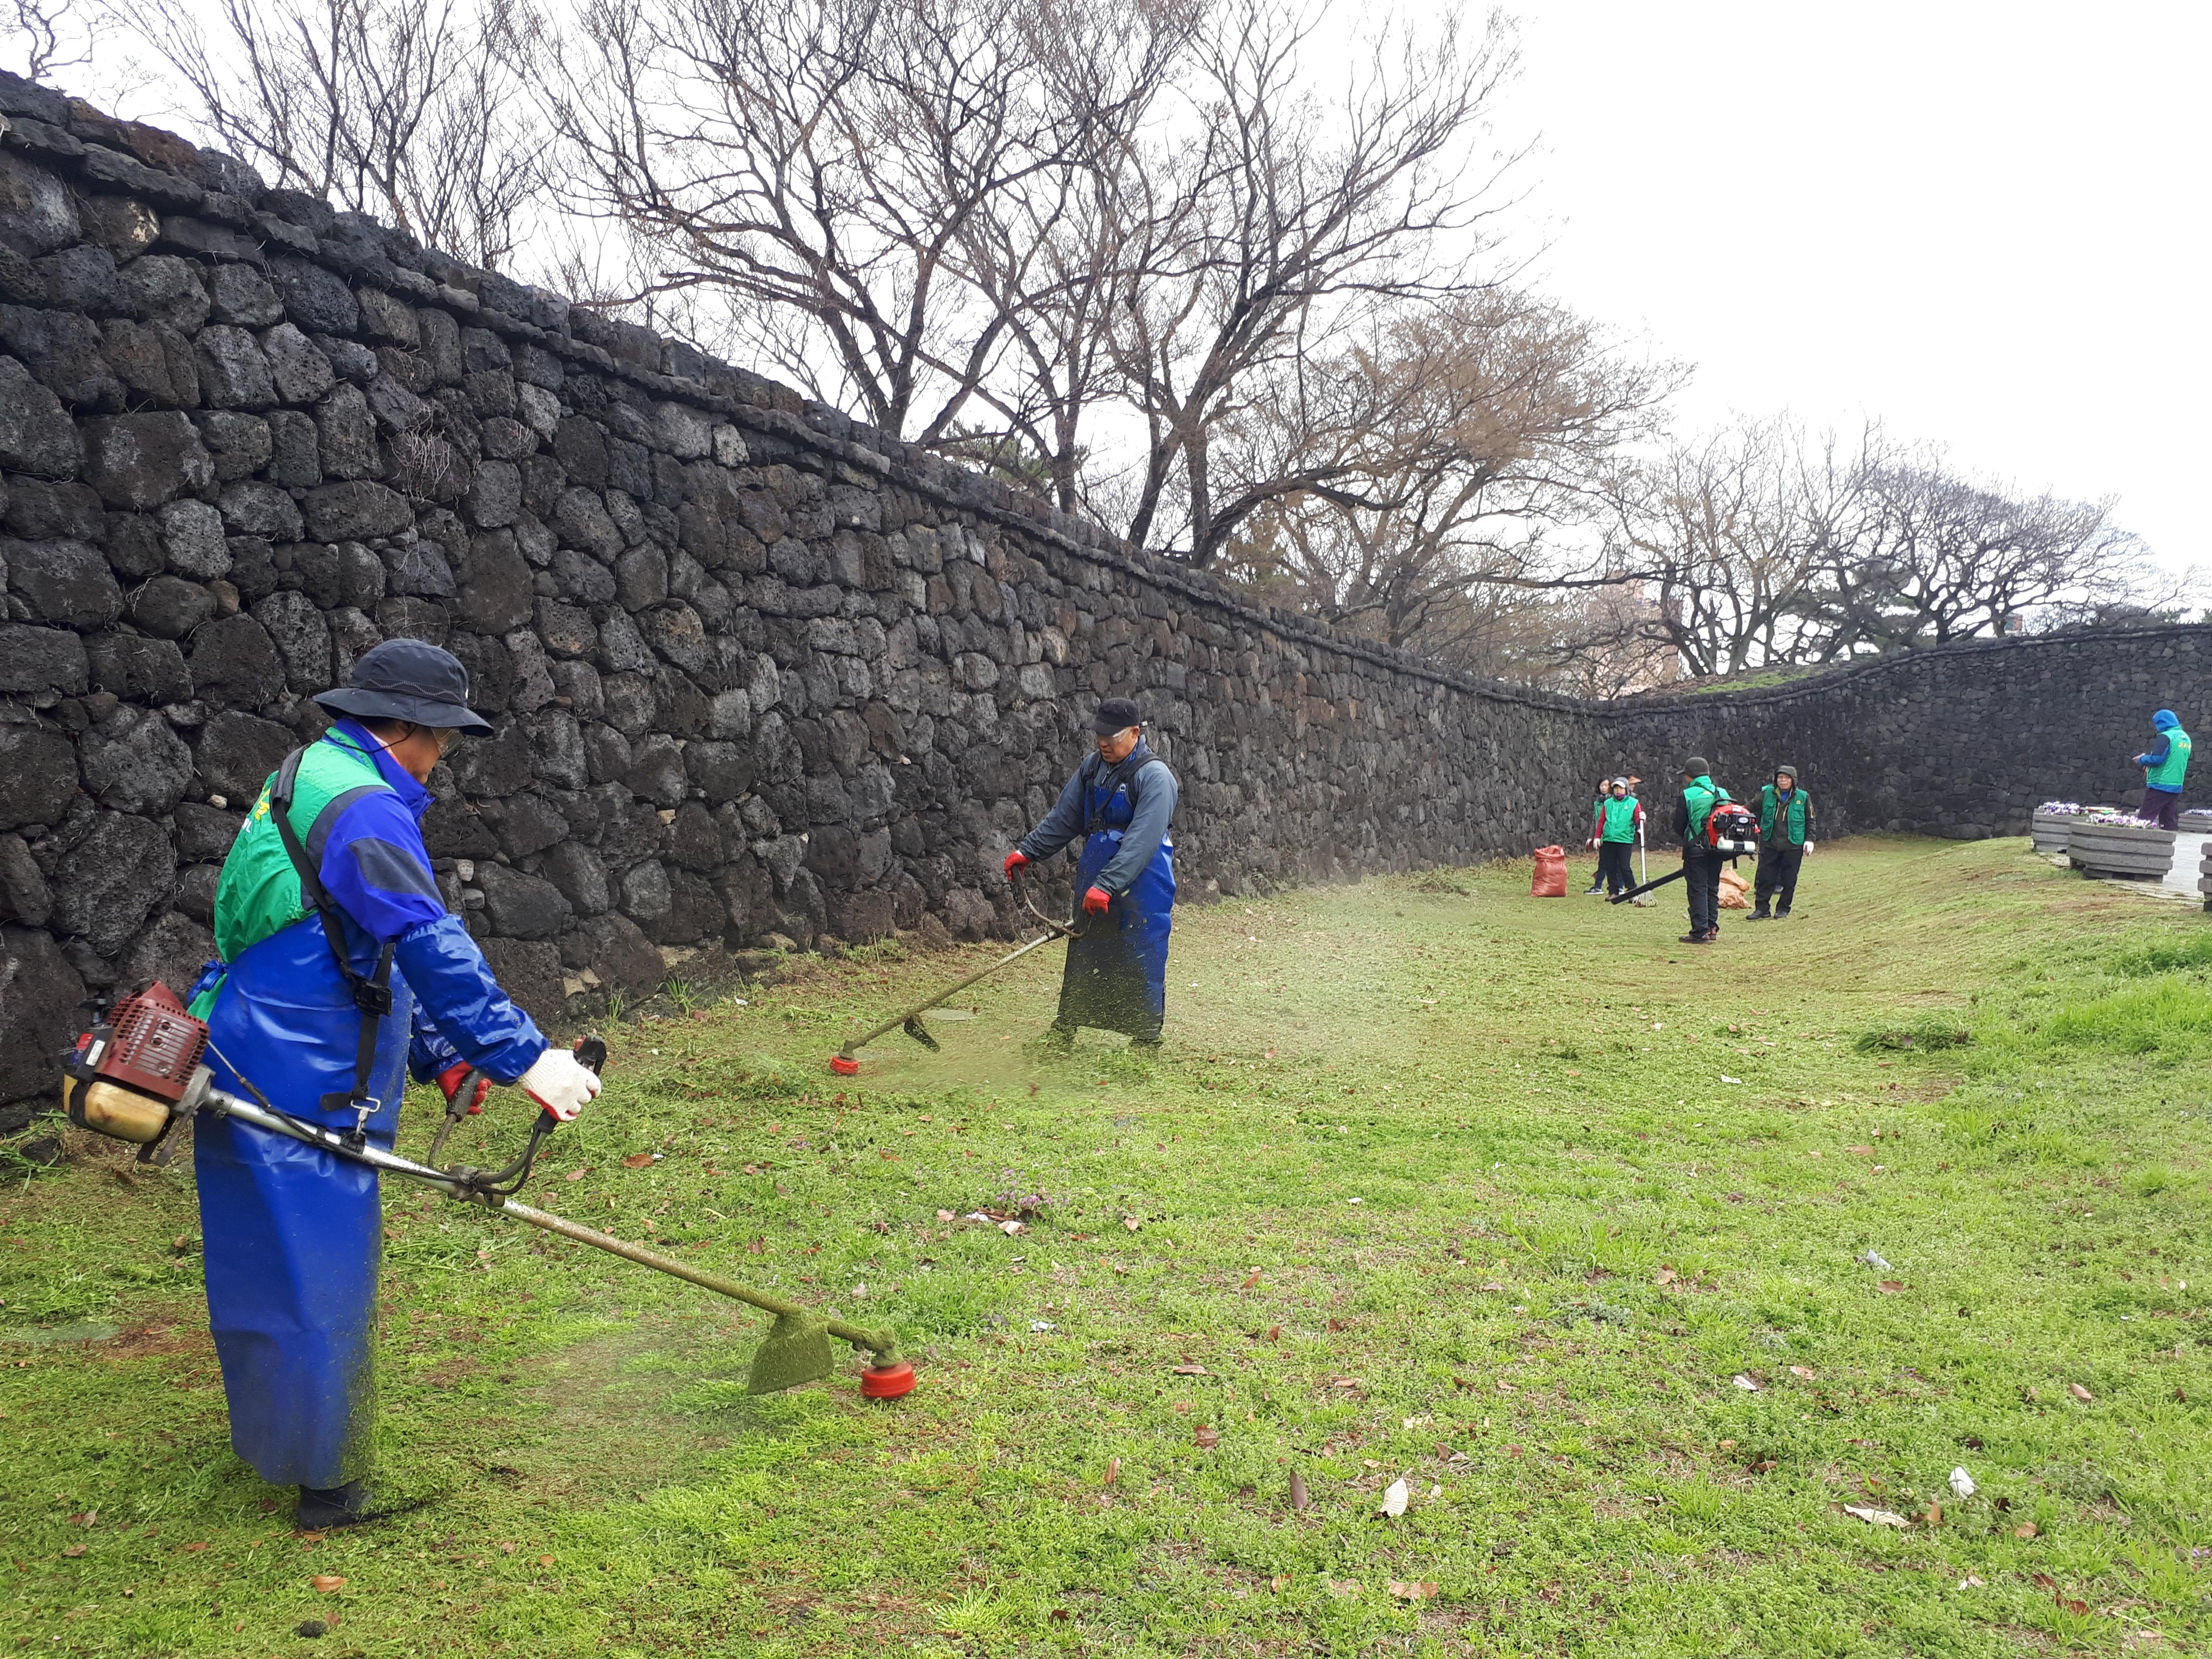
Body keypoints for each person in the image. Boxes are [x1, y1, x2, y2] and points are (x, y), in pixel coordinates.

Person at [185, 640, 603, 1529]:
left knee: (261, 1264)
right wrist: (526, 1058)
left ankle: (276, 1438)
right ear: (407, 728)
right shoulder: (370, 811)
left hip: (246, 1042)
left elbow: (341, 938)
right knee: (319, 1268)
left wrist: (436, 1055)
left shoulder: (307, 771)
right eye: (443, 738)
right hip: (305, 1072)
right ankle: (330, 1487)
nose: (443, 756)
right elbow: (424, 945)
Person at [1003, 697, 1180, 1049]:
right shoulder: (1092, 767)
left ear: (1134, 733)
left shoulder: (1155, 777)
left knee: (1140, 953)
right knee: (1086, 951)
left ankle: (1145, 1039)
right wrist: (1028, 851)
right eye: (1099, 736)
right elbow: (1065, 816)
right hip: (1096, 873)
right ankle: (1065, 1028)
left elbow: (1142, 841)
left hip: (1144, 883)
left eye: (1111, 737)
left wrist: (1109, 885)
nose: (1103, 743)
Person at [1671, 757, 1730, 944]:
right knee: (1712, 887)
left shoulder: (1688, 795)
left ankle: (1699, 932)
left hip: (1696, 848)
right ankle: (1712, 928)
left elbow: (1678, 825)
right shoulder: (1722, 792)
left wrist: (1690, 837)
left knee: (1697, 889)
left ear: (1690, 776)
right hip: (1718, 847)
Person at [1749, 764, 1815, 920]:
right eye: (1780, 777)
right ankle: (1762, 909)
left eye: (1786, 778)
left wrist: (1810, 840)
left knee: (1789, 879)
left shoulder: (1803, 797)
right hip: (1770, 842)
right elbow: (1750, 807)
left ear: (1793, 780)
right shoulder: (1767, 794)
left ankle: (1783, 909)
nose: (1783, 780)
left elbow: (1810, 820)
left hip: (1793, 844)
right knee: (1765, 878)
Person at [2133, 709, 2192, 831]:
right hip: (2176, 784)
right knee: (2168, 821)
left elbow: (2156, 760)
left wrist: (2142, 759)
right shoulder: (2185, 738)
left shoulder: (2166, 737)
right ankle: (2167, 847)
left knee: (2144, 820)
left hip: (2160, 784)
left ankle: (2134, 846)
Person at [1593, 777, 1644, 899]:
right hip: (1609, 839)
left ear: (1626, 789)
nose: (1618, 791)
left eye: (1621, 788)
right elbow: (1601, 821)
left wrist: (1641, 821)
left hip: (1624, 840)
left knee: (1624, 867)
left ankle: (1632, 891)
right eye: (1616, 788)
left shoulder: (1633, 803)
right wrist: (1597, 837)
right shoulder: (1608, 803)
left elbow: (1637, 819)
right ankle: (1613, 891)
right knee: (1610, 867)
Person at [1583, 775, 1613, 893]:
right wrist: (1592, 836)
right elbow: (1595, 821)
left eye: (1606, 785)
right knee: (1604, 862)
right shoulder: (1597, 802)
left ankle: (1616, 887)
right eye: (1602, 785)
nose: (1604, 788)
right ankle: (1599, 886)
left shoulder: (1612, 802)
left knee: (1611, 862)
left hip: (1610, 835)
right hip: (1600, 836)